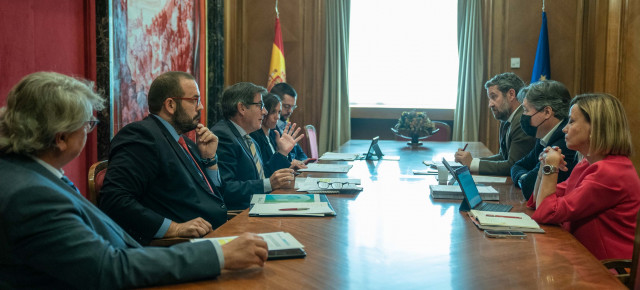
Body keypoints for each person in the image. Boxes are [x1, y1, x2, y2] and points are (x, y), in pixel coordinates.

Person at [0, 72, 268, 289]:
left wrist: (209, 161)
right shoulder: (30, 195)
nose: (88, 131)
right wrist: (218, 254)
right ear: (60, 138)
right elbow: (108, 267)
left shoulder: (28, 173)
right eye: (87, 124)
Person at [99, 71, 226, 245]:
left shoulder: (186, 143)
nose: (201, 107)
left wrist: (210, 160)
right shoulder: (142, 135)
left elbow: (213, 197)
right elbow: (115, 199)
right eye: (194, 100)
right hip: (182, 248)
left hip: (217, 233)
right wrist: (174, 228)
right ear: (171, 105)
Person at [530, 93, 640, 260]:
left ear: (595, 127)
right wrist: (544, 166)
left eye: (572, 121)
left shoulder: (610, 172)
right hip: (583, 258)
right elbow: (537, 203)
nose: (564, 128)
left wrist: (551, 168)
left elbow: (547, 212)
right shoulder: (586, 164)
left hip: (609, 272)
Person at [212, 82, 302, 210]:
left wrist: (282, 153)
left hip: (260, 206)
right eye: (260, 105)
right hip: (241, 215)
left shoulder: (248, 138)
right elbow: (226, 189)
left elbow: (263, 175)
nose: (264, 111)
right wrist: (268, 184)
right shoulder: (223, 136)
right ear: (242, 108)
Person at [454, 72, 535, 175]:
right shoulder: (506, 119)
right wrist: (471, 161)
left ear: (511, 94)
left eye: (494, 97)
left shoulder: (522, 122)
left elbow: (513, 165)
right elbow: (503, 157)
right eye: (489, 98)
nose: (490, 104)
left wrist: (473, 163)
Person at [510, 80, 578, 200]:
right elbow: (517, 166)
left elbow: (530, 189)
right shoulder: (544, 136)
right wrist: (523, 178)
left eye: (526, 110)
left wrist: (523, 179)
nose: (523, 115)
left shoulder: (564, 142)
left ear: (547, 112)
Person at [250, 93, 307, 171]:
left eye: (279, 112)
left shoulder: (274, 132)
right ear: (264, 111)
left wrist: (290, 165)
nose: (277, 117)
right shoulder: (255, 136)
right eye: (273, 112)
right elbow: (265, 171)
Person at [270, 82, 309, 161]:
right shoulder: (270, 127)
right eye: (287, 106)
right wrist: (291, 163)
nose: (290, 111)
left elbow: (301, 154)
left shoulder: (287, 126)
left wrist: (301, 162)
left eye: (293, 107)